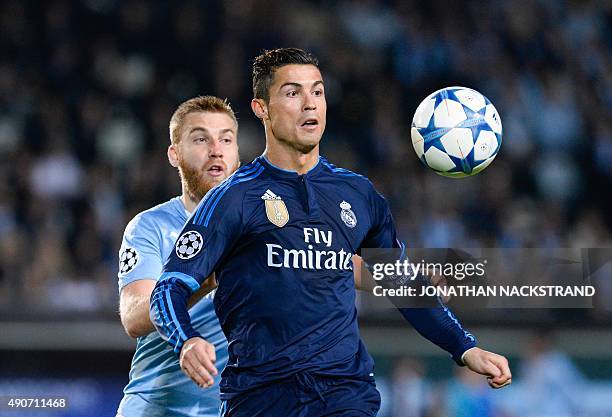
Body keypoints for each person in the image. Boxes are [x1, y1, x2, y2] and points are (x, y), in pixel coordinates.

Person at [150, 48, 512, 416]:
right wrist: (186, 341)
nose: (310, 104)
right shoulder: (233, 198)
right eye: (293, 93)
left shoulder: (358, 195)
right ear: (261, 108)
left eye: (318, 92)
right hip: (260, 398)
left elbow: (401, 282)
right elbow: (168, 288)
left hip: (344, 393)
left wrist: (465, 347)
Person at [116, 96, 240, 417]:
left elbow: (344, 266)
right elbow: (132, 317)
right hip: (158, 407)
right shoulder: (151, 226)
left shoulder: (263, 227)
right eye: (201, 139)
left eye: (226, 139)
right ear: (175, 154)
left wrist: (390, 283)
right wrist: (203, 278)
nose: (216, 149)